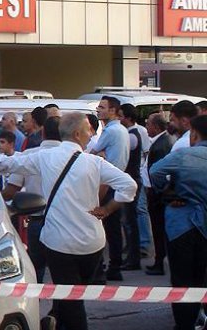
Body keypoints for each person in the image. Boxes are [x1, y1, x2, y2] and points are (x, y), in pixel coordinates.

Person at [0, 112, 136, 330]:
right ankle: (59, 320)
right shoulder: (94, 162)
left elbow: (4, 164)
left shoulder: (44, 157)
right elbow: (129, 186)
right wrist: (107, 209)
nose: (92, 134)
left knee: (70, 300)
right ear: (77, 134)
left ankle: (61, 320)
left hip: (59, 243)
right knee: (74, 298)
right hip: (92, 243)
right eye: (89, 129)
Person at [149, 115, 207, 330]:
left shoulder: (184, 155)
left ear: (194, 134)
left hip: (181, 224)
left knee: (182, 279)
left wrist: (166, 190)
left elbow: (155, 171)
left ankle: (185, 324)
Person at [0, 116, 63, 284]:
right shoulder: (76, 157)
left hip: (36, 220)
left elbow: (11, 190)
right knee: (63, 272)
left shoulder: (28, 156)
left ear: (43, 133)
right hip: (64, 221)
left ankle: (36, 298)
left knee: (36, 269)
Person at [91, 96, 131, 281]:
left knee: (101, 226)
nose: (98, 110)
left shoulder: (110, 131)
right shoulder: (121, 129)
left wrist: (99, 154)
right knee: (114, 228)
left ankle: (103, 268)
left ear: (113, 110)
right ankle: (115, 266)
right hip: (116, 182)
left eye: (102, 107)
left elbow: (93, 154)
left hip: (107, 184)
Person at [118, 103, 151, 271]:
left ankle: (134, 258)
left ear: (129, 118)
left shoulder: (131, 136)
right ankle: (132, 254)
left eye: (121, 116)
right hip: (132, 179)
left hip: (131, 180)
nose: (119, 119)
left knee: (130, 221)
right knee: (128, 221)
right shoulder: (130, 134)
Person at [145, 112, 174, 276]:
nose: (146, 127)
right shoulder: (161, 141)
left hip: (158, 195)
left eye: (148, 124)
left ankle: (159, 262)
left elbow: (161, 172)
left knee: (158, 229)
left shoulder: (162, 144)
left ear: (155, 127)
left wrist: (157, 191)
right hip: (156, 192)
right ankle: (159, 260)